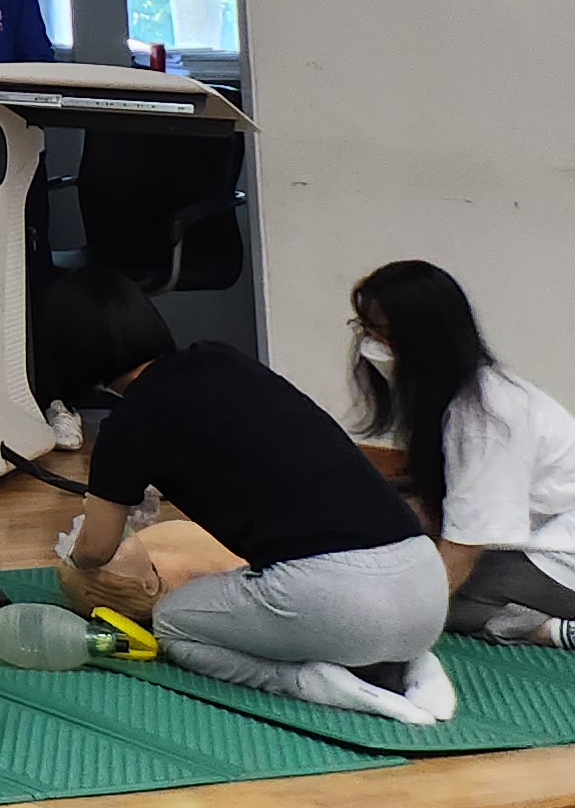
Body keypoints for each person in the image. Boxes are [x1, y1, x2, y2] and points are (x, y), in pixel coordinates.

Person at [47, 267, 455, 723]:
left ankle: (306, 681)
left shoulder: (127, 427)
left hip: (336, 602)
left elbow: (96, 549)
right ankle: (411, 663)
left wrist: (71, 558)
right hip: (426, 587)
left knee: (174, 624)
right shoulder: (224, 359)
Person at [350, 260, 575, 649]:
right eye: (364, 330)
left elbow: (464, 546)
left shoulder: (487, 419)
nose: (371, 345)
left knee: (408, 597)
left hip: (561, 556)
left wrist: (405, 624)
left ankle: (546, 629)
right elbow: (443, 502)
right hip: (531, 532)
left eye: (381, 334)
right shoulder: (452, 397)